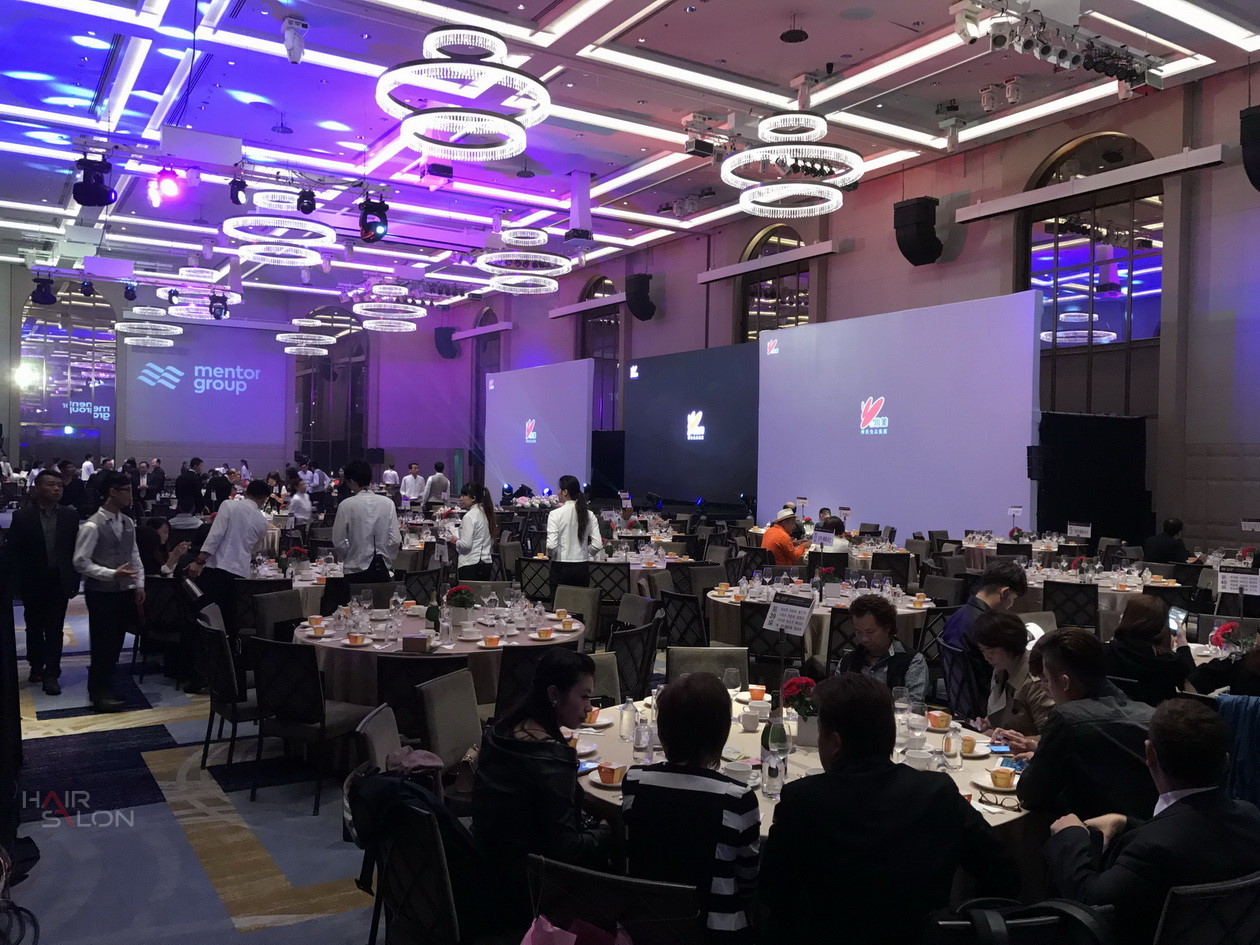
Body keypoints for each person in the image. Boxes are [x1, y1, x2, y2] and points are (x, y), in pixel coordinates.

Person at [761, 674, 1018, 944]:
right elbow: (1003, 874)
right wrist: (958, 927)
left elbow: (773, 892)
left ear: (835, 743)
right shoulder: (936, 791)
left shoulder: (803, 799)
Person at [1044, 698, 1260, 945]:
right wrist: (1127, 822)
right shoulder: (1251, 817)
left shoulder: (1150, 849)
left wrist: (1071, 835)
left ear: (1149, 753)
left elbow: (1091, 902)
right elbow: (1192, 838)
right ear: (1225, 761)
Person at [473, 648, 609, 925]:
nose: (590, 707)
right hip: (531, 891)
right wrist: (607, 830)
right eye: (584, 697)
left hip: (486, 868)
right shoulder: (550, 759)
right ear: (554, 695)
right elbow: (567, 848)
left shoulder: (501, 731)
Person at [621, 673, 760, 942]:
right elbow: (747, 880)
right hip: (715, 934)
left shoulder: (636, 781)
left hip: (646, 926)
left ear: (663, 730)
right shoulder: (737, 798)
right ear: (720, 733)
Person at [1016, 628, 1157, 819]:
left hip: (1093, 830)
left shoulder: (1067, 718)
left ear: (1065, 682)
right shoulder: (1150, 715)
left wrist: (1038, 762)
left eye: (1046, 680)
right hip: (1147, 826)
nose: (1044, 688)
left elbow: (1030, 794)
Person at [72, 472, 144, 712]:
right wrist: (111, 574)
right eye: (127, 490)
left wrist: (139, 584)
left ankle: (107, 687)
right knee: (102, 644)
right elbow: (80, 562)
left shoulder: (128, 522)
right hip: (101, 593)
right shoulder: (92, 525)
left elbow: (134, 555)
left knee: (115, 644)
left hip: (123, 591)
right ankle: (98, 692)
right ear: (112, 492)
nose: (131, 496)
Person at [9, 470, 80, 695]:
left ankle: (52, 673)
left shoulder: (70, 515)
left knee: (55, 628)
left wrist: (74, 578)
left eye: (59, 485)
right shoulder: (22, 516)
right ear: (37, 488)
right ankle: (36, 665)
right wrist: (16, 584)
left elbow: (74, 550)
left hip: (58, 579)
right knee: (33, 626)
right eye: (51, 485)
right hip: (32, 580)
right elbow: (15, 552)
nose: (57, 488)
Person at [941, 561, 1028, 719]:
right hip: (987, 707)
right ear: (1005, 593)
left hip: (961, 701)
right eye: (1013, 598)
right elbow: (1003, 673)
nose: (1011, 605)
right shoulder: (987, 628)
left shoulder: (957, 615)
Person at [186, 480, 271, 641]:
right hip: (240, 574)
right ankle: (230, 652)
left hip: (217, 569)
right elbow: (254, 550)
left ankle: (204, 652)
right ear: (263, 499)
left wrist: (199, 561)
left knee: (207, 616)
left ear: (246, 492)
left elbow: (215, 535)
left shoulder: (229, 505)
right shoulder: (263, 521)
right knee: (230, 619)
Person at [971, 610, 1054, 738]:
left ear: (1010, 645)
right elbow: (1001, 716)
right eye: (983, 651)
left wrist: (1006, 738)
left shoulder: (1037, 681)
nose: (986, 657)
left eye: (991, 651)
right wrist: (987, 724)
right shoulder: (1000, 670)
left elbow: (1050, 738)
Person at [1104, 595, 1194, 706]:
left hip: (1110, 713)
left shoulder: (1104, 653)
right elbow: (1194, 693)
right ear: (1163, 625)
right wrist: (1182, 642)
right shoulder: (1172, 664)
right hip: (1157, 715)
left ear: (1125, 619)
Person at [837, 593, 929, 703]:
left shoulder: (912, 661)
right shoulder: (848, 662)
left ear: (887, 627)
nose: (864, 638)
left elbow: (914, 705)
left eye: (870, 632)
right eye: (858, 632)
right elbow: (835, 701)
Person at [331, 460, 401, 578]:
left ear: (351, 482)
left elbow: (338, 541)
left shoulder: (346, 505)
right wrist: (385, 556)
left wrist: (350, 555)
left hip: (355, 570)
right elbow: (395, 540)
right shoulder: (388, 503)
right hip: (382, 569)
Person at [545, 474, 602, 598]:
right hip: (582, 567)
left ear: (565, 492)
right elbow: (598, 545)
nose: (558, 492)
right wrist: (586, 551)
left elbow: (551, 545)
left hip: (560, 567)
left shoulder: (555, 514)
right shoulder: (589, 514)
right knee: (580, 606)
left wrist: (550, 555)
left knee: (559, 607)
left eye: (559, 489)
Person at [449, 481, 496, 581]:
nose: (461, 498)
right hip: (486, 562)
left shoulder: (469, 516)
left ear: (473, 498)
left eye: (464, 495)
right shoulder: (484, 513)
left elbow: (466, 545)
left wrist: (456, 541)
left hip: (470, 564)